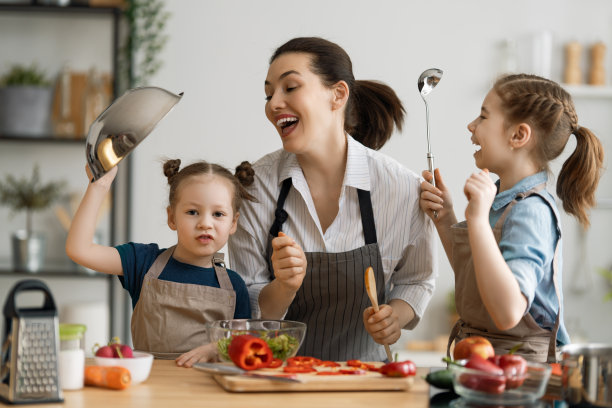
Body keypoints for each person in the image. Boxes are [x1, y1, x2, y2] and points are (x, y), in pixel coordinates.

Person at [228, 37, 437, 362]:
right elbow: (245, 303)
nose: (273, 104)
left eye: (290, 87)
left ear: (338, 94)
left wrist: (395, 316)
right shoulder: (253, 188)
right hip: (277, 381)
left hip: (366, 383)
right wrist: (283, 287)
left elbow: (417, 280)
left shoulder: (402, 189)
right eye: (269, 94)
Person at [420, 73, 604, 362]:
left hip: (523, 376)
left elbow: (507, 312)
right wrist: (445, 217)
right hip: (484, 364)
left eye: (483, 116)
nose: (471, 126)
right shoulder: (498, 199)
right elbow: (479, 278)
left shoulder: (531, 212)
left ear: (518, 135)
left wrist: (478, 220)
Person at [66, 159, 256, 367]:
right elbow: (79, 249)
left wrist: (218, 348)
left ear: (233, 223)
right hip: (150, 390)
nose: (205, 223)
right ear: (172, 217)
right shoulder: (143, 261)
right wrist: (98, 186)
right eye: (192, 212)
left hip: (209, 394)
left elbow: (243, 347)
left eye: (218, 214)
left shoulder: (235, 286)